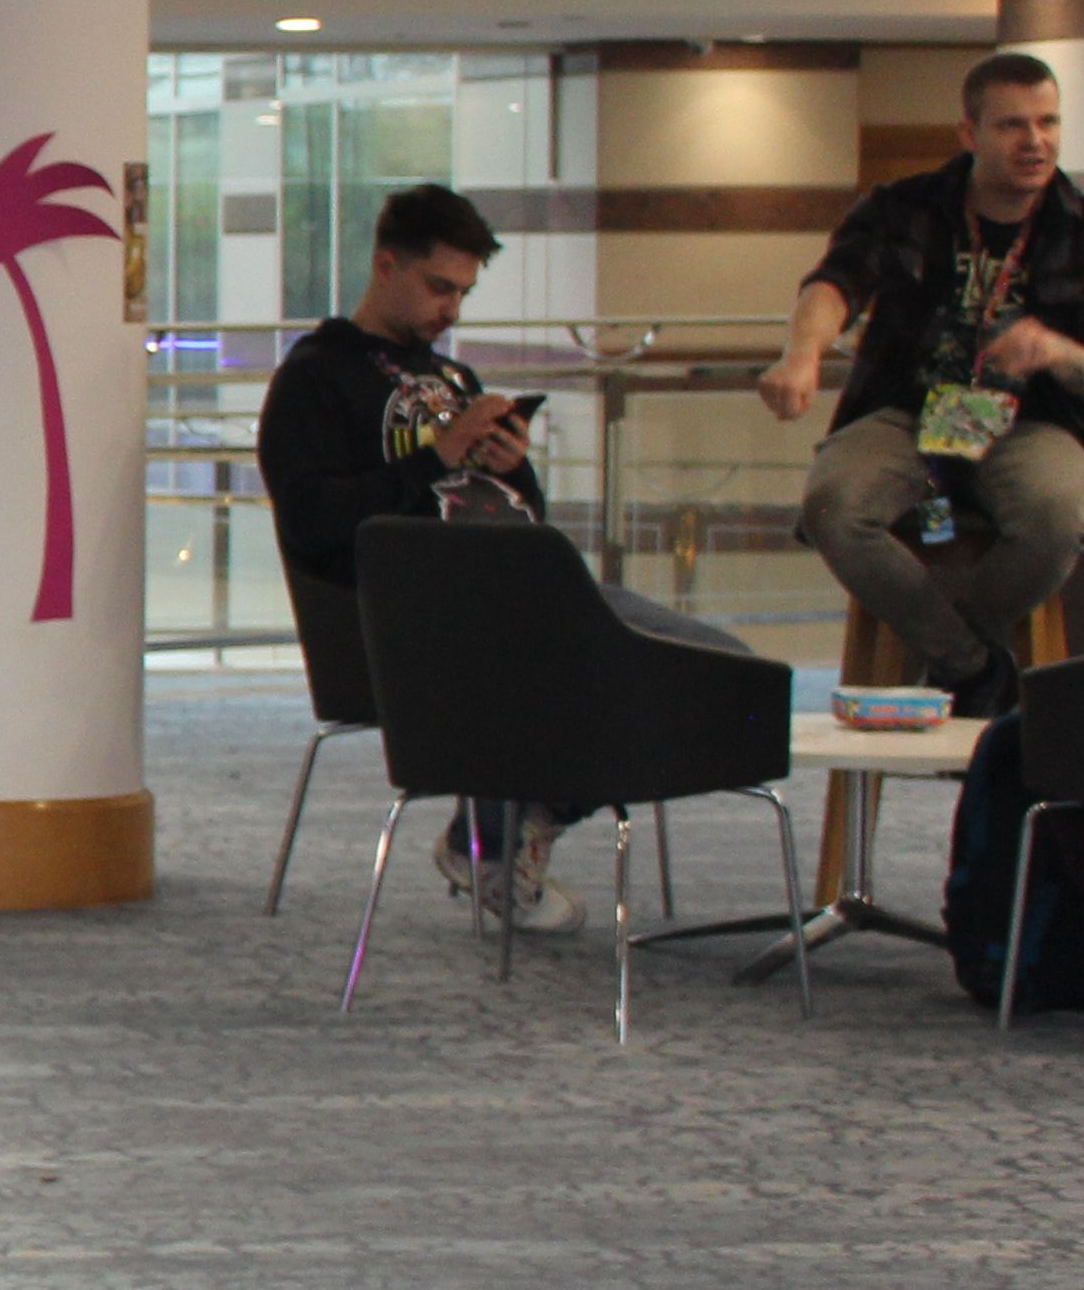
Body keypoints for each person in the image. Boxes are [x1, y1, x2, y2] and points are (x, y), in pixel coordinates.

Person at [258, 182, 747, 933]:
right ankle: (497, 832)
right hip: (402, 617)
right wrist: (436, 453)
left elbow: (520, 516)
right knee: (613, 659)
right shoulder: (317, 377)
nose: (451, 309)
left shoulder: (454, 380)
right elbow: (313, 523)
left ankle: (514, 820)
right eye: (439, 287)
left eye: (464, 292)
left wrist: (512, 467)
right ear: (386, 266)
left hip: (517, 590)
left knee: (720, 668)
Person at [768, 50, 1084, 712]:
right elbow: (835, 285)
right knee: (833, 506)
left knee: (1057, 518)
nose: (1035, 141)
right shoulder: (903, 208)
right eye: (1012, 125)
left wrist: (1054, 351)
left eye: (1048, 122)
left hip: (1036, 422)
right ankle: (972, 667)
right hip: (906, 413)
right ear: (969, 132)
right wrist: (802, 355)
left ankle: (950, 653)